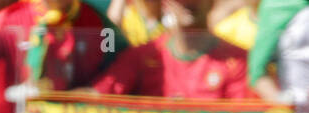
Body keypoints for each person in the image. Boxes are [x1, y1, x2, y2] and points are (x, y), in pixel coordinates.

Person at [91, 0, 252, 97]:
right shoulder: (143, 56)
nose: (189, 3)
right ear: (166, 3)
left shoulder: (237, 61)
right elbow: (101, 93)